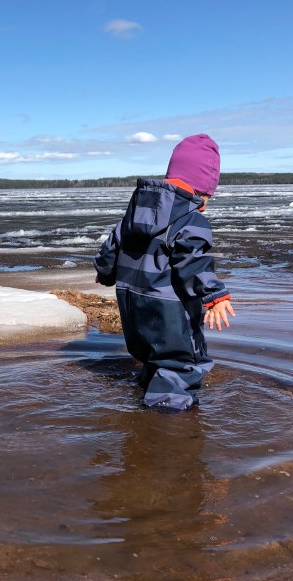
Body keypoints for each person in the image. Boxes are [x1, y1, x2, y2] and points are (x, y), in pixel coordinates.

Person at [94, 134, 235, 411]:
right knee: (180, 362)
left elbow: (112, 244)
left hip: (132, 302)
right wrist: (215, 295)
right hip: (169, 308)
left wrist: (106, 272)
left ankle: (149, 391)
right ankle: (164, 425)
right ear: (203, 189)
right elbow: (192, 259)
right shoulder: (191, 218)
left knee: (151, 355)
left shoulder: (136, 211)